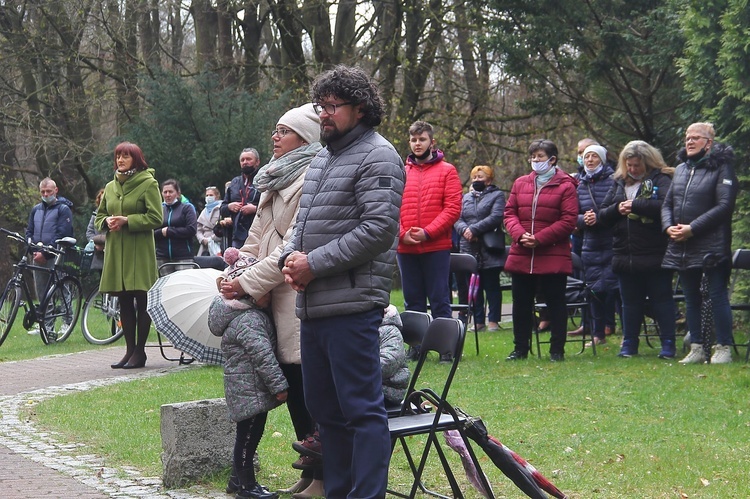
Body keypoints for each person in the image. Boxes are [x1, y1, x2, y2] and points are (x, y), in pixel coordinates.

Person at [279, 65, 404, 499]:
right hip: (313, 305)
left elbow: (377, 230)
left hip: (353, 305)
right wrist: (289, 260)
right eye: (321, 106)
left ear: (362, 108)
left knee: (361, 411)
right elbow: (301, 225)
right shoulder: (322, 157)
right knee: (326, 412)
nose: (324, 115)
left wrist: (313, 263)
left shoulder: (380, 155)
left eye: (333, 106)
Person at [218, 103, 324, 498]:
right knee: (296, 391)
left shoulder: (312, 177)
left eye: (284, 131)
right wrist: (235, 272)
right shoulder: (273, 180)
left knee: (304, 387)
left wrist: (245, 284)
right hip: (267, 297)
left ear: (306, 137)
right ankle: (312, 473)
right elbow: (254, 238)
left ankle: (323, 477)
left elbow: (290, 249)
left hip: (294, 296)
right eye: (275, 130)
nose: (274, 138)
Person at [662, 122, 738, 364]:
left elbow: (724, 207)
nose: (690, 141)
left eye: (696, 137)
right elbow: (667, 204)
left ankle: (723, 346)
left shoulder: (722, 168)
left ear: (709, 143)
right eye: (687, 137)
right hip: (682, 244)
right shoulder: (682, 169)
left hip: (712, 245)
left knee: (716, 295)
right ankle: (697, 347)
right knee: (691, 297)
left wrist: (692, 228)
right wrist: (667, 227)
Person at [208, 275, 288, 499]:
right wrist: (279, 386)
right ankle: (247, 487)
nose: (270, 295)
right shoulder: (249, 320)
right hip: (250, 391)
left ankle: (236, 479)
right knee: (248, 439)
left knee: (247, 435)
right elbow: (263, 357)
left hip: (243, 389)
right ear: (248, 294)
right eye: (265, 290)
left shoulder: (241, 315)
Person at [597, 140, 676, 358]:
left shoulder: (662, 179)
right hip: (625, 254)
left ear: (648, 162)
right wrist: (617, 208)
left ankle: (668, 343)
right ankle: (629, 343)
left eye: (637, 165)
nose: (633, 169)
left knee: (662, 301)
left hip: (655, 253)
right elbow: (602, 214)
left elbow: (667, 207)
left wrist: (636, 205)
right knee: (630, 303)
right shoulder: (619, 182)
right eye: (629, 165)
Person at [503, 139, 578, 362]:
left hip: (552, 254)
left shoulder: (566, 185)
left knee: (556, 303)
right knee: (521, 304)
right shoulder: (520, 183)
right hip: (522, 253)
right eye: (533, 157)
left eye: (540, 157)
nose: (536, 161)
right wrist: (519, 235)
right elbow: (510, 213)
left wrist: (540, 239)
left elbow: (568, 220)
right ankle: (520, 348)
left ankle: (557, 350)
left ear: (552, 159)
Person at [96, 141, 163, 369]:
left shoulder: (148, 183)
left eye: (125, 156)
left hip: (139, 250)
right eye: (118, 156)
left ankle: (140, 352)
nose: (120, 160)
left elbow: (156, 218)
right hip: (117, 251)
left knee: (141, 300)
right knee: (123, 300)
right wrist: (106, 221)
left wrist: (128, 220)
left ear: (136, 158)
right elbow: (99, 217)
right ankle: (129, 351)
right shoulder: (110, 186)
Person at [397, 120, 462, 322]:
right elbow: (389, 206)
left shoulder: (447, 170)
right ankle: (417, 348)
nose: (418, 143)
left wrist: (428, 232)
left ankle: (445, 349)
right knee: (412, 301)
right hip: (405, 248)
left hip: (436, 246)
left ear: (432, 142)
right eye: (414, 140)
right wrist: (401, 234)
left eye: (422, 139)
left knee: (439, 299)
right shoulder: (401, 171)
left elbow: (452, 208)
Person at [576, 144, 619, 347]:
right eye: (587, 157)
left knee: (616, 289)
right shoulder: (579, 184)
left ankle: (625, 332)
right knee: (593, 289)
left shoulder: (614, 180)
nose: (590, 160)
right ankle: (597, 333)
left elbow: (619, 207)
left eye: (594, 156)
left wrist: (599, 218)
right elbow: (570, 215)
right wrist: (584, 220)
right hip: (590, 243)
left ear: (602, 159)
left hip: (613, 240)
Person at [453, 165, 506, 331]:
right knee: (473, 287)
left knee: (491, 286)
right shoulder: (465, 198)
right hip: (468, 247)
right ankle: (478, 321)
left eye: (480, 177)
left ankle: (493, 321)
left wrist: (475, 229)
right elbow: (457, 217)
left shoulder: (497, 195)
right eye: (474, 177)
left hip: (489, 247)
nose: (477, 180)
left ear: (489, 180)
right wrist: (466, 231)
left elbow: (496, 216)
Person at [25, 177, 75, 335]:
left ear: (56, 190)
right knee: (42, 291)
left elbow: (63, 233)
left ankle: (67, 321)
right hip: (37, 255)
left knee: (61, 288)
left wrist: (46, 253)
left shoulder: (63, 209)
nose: (46, 194)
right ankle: (46, 326)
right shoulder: (36, 209)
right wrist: (33, 250)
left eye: (49, 191)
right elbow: (29, 231)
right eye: (43, 192)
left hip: (56, 255)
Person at [154, 179, 198, 274]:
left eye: (171, 192)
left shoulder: (187, 208)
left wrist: (169, 231)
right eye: (165, 192)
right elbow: (151, 232)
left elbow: (191, 229)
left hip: (183, 257)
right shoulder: (158, 210)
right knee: (166, 287)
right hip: (162, 257)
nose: (168, 195)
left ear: (178, 193)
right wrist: (161, 232)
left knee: (183, 286)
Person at [221, 148, 262, 248]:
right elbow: (222, 209)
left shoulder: (264, 181)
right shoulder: (234, 182)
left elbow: (273, 207)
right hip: (237, 235)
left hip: (259, 233)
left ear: (257, 162)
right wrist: (229, 206)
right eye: (242, 160)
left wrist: (255, 209)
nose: (245, 162)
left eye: (249, 159)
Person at [196, 186, 223, 256]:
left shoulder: (221, 208)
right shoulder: (203, 211)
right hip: (204, 245)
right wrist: (202, 239)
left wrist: (212, 238)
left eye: (211, 195)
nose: (208, 197)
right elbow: (198, 229)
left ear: (217, 196)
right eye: (207, 195)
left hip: (218, 244)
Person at [85, 188, 107, 271]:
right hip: (98, 256)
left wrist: (105, 244)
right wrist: (95, 244)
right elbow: (89, 232)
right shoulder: (95, 215)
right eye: (101, 200)